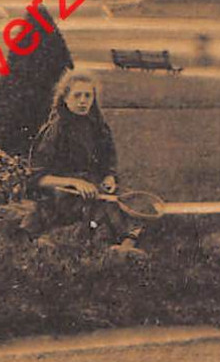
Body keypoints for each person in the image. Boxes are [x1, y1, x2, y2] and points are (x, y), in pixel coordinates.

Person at [23, 71, 148, 258]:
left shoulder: (98, 126)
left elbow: (108, 161)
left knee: (126, 202)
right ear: (65, 98)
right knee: (96, 207)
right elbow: (37, 178)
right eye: (77, 95)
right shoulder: (55, 130)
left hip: (93, 185)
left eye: (88, 95)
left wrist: (109, 177)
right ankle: (107, 246)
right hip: (61, 192)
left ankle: (125, 245)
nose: (83, 101)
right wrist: (74, 182)